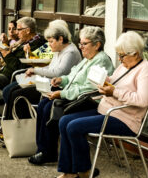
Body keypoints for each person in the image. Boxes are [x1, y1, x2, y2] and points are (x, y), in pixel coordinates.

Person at [56, 31, 148, 178]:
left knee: (74, 127)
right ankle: (69, 172)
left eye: (122, 55)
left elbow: (143, 100)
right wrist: (104, 81)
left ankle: (84, 171)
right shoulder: (124, 66)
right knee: (64, 120)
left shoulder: (146, 70)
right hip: (106, 110)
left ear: (135, 53)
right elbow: (115, 83)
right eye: (118, 54)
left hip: (125, 119)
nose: (119, 58)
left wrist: (114, 92)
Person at [28, 26, 114, 166]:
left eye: (84, 44)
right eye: (80, 43)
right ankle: (43, 148)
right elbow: (73, 76)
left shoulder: (101, 60)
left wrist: (62, 93)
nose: (81, 47)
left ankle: (48, 152)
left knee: (49, 106)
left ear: (97, 45)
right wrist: (62, 80)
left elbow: (89, 88)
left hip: (89, 101)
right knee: (44, 103)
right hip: (75, 96)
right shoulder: (88, 58)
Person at [0, 17, 45, 132]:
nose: (16, 32)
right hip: (7, 70)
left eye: (19, 29)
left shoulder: (36, 44)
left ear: (28, 30)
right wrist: (2, 51)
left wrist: (6, 53)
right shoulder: (23, 41)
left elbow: (20, 66)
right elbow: (12, 57)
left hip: (15, 75)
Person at [2, 19, 82, 119]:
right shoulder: (58, 48)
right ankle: (12, 122)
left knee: (16, 95)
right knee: (10, 90)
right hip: (45, 80)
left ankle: (21, 123)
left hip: (54, 85)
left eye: (51, 40)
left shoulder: (70, 52)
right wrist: (35, 70)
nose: (49, 43)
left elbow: (59, 72)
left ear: (60, 38)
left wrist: (35, 70)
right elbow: (49, 66)